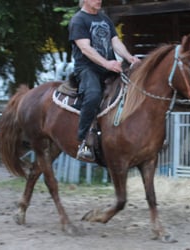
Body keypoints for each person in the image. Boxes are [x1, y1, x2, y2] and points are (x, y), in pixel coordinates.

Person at [69, 0, 140, 160]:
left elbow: (115, 41)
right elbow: (85, 48)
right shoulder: (78, 20)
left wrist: (129, 57)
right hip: (87, 69)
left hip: (109, 67)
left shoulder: (104, 18)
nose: (99, 0)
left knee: (133, 89)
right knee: (93, 95)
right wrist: (107, 63)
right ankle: (84, 140)